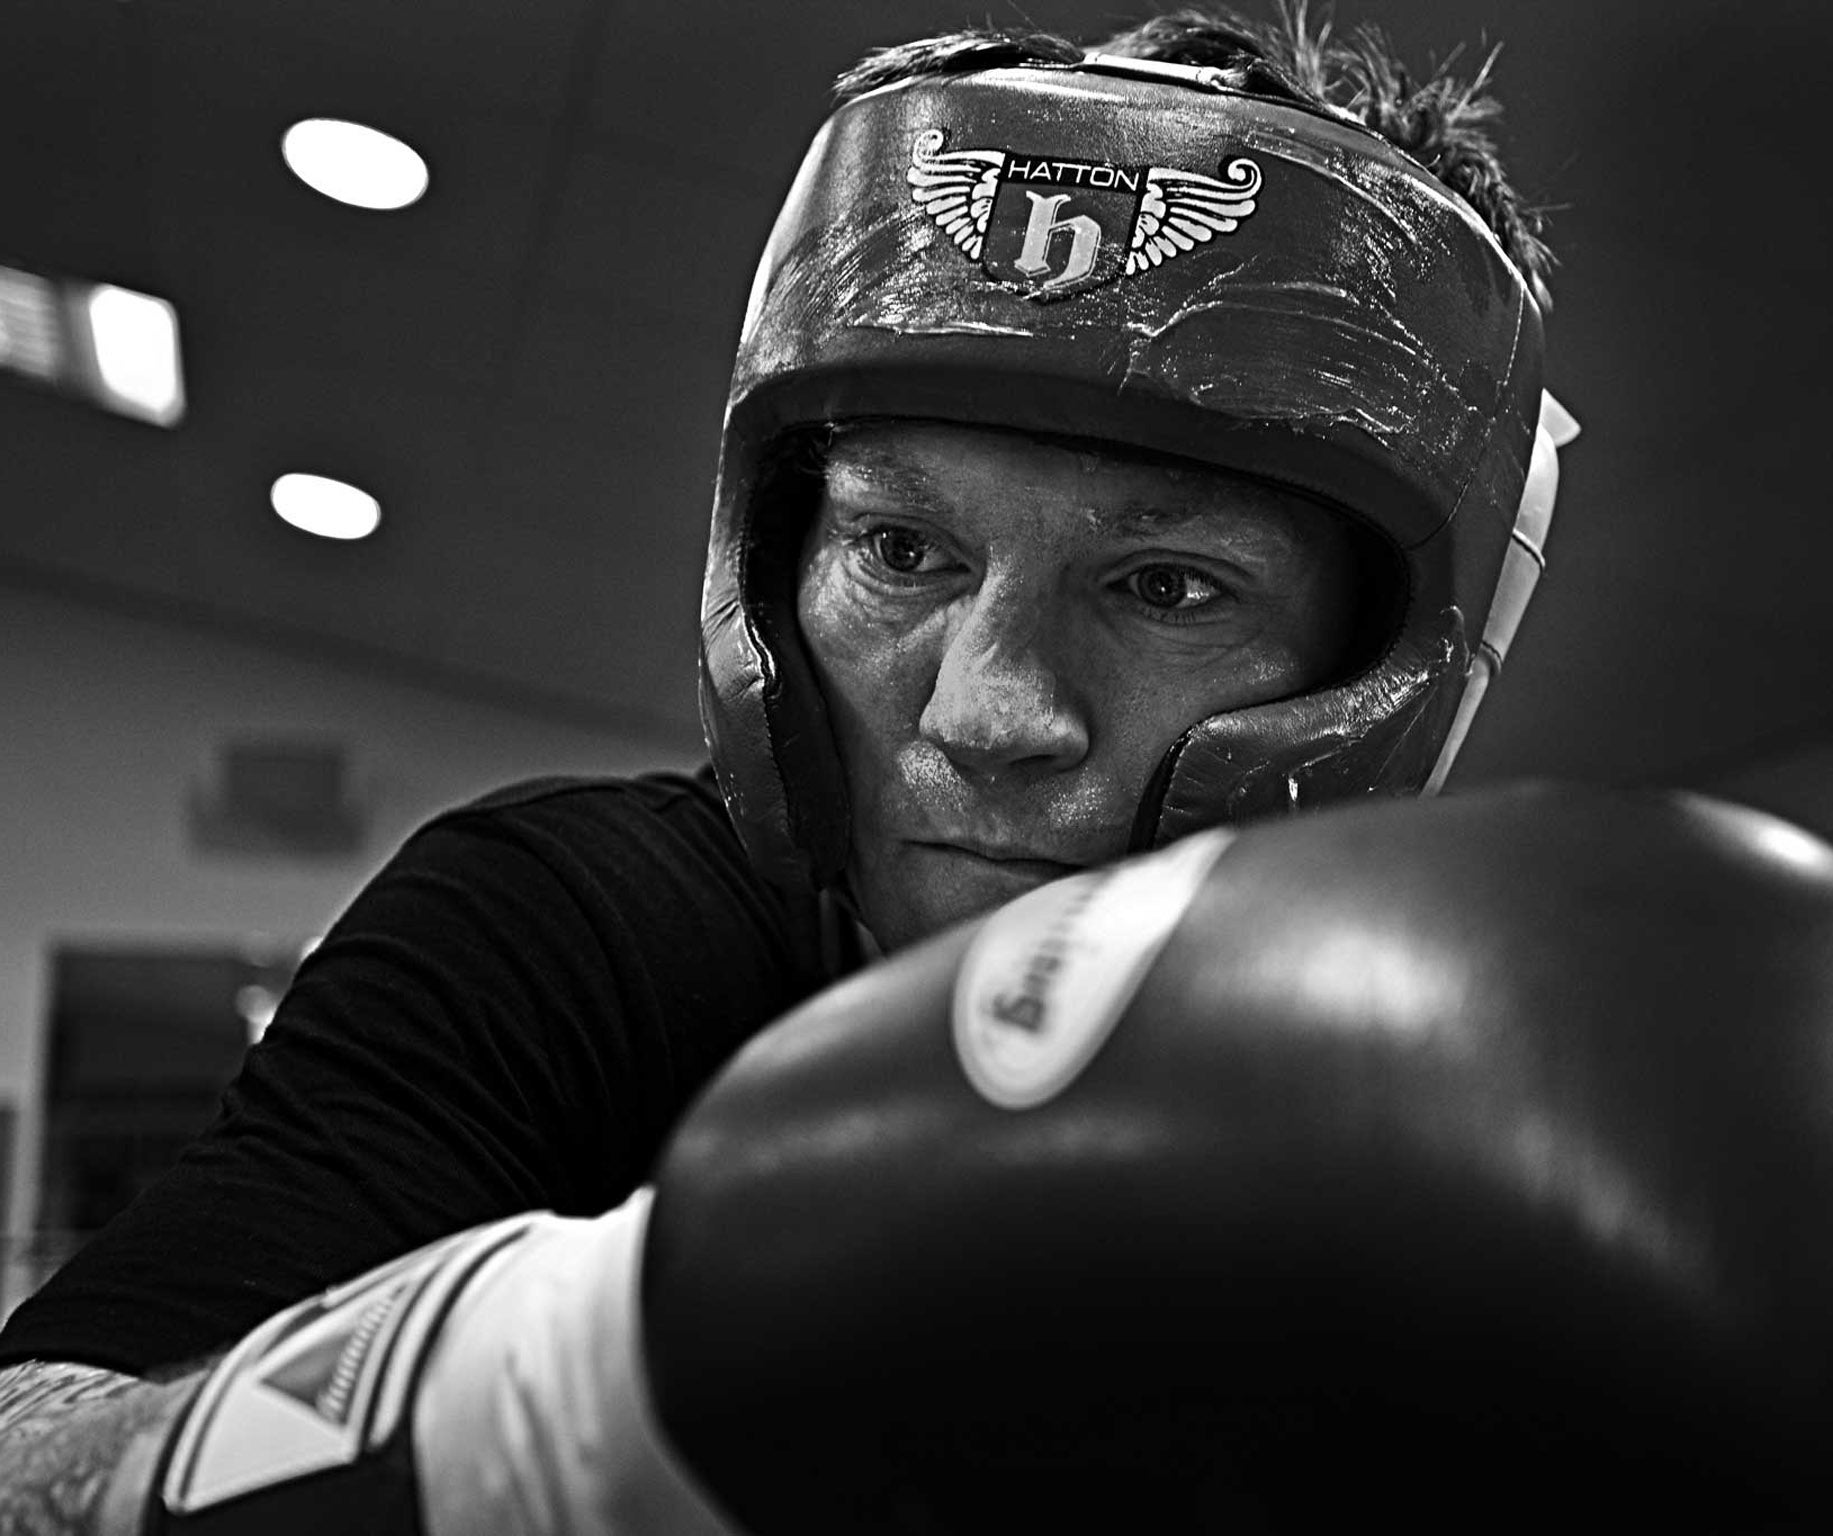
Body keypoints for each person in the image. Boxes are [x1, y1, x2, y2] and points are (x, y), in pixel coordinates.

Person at [0, 7, 1580, 1532]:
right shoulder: (571, 934)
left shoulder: (1484, 1139)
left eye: (1165, 586)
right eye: (902, 550)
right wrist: (550, 1387)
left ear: (1383, 658)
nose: (988, 711)